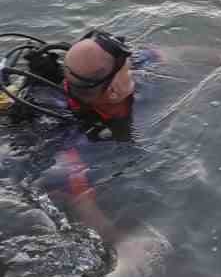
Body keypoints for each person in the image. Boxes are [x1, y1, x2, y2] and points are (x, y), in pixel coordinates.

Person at [1, 28, 159, 247]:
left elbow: (166, 53)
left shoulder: (101, 78)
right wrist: (123, 246)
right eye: (128, 71)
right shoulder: (68, 139)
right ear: (113, 92)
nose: (133, 69)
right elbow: (83, 203)